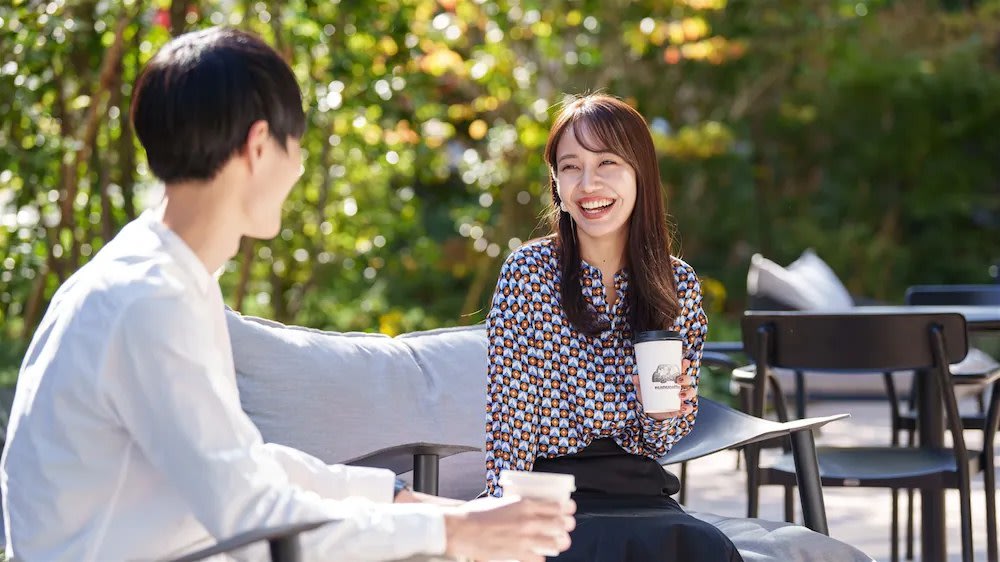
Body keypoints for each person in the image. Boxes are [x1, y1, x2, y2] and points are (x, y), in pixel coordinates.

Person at [0, 26, 574, 562]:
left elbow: (244, 465)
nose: (298, 167)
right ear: (258, 146)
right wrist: (455, 532)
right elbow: (252, 512)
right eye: (294, 146)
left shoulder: (155, 274)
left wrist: (406, 502)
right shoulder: (149, 300)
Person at [483, 94, 742, 561]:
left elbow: (661, 441)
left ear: (639, 172)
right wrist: (506, 515)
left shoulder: (675, 281)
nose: (588, 184)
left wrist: (664, 415)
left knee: (704, 547)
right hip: (550, 492)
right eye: (570, 167)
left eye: (606, 163)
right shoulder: (528, 273)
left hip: (640, 491)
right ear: (556, 182)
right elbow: (510, 425)